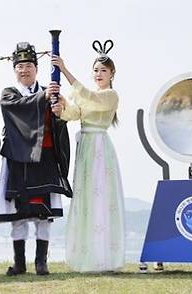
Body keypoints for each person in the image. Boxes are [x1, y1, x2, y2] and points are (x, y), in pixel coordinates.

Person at [0, 42, 72, 276]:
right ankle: (19, 263)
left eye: (28, 65)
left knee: (43, 213)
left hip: (45, 157)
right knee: (19, 213)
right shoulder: (9, 94)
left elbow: (59, 122)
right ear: (14, 69)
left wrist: (59, 112)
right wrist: (42, 98)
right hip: (18, 159)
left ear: (36, 68)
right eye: (19, 66)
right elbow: (13, 109)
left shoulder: (50, 93)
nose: (24, 70)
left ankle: (41, 262)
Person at [50, 40, 126, 272]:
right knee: (86, 198)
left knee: (101, 198)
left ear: (112, 73)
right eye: (96, 70)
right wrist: (62, 106)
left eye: (103, 70)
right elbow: (76, 112)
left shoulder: (110, 95)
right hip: (85, 149)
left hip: (100, 149)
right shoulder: (90, 95)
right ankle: (87, 254)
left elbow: (89, 99)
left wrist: (64, 70)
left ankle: (104, 255)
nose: (99, 74)